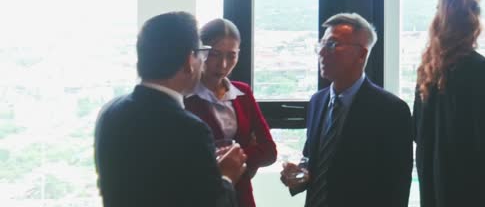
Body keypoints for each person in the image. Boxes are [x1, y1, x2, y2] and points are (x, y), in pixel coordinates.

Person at [94, 11, 247, 207]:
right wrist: (226, 176)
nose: (203, 62)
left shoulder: (110, 112)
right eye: (203, 53)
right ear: (188, 61)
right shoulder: (190, 129)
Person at [280, 12, 412, 207]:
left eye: (332, 45)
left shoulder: (391, 110)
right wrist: (298, 176)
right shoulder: (318, 101)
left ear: (361, 54)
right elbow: (312, 162)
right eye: (322, 45)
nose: (322, 53)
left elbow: (397, 187)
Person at [413, 0, 485, 207]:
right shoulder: (481, 69)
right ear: (475, 20)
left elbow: (418, 131)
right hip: (476, 192)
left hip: (437, 188)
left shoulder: (428, 68)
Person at [185, 18, 277, 207]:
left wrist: (229, 158)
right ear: (200, 52)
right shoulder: (185, 97)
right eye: (215, 54)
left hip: (241, 198)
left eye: (231, 56)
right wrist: (246, 153)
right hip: (202, 197)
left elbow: (269, 151)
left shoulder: (242, 93)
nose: (223, 65)